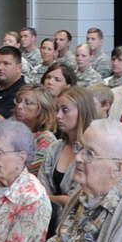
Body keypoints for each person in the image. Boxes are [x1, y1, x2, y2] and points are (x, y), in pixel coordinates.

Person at [38, 85, 96, 214]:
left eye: (65, 110)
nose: (58, 116)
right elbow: (41, 190)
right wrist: (60, 199)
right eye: (57, 110)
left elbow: (76, 200)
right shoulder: (55, 147)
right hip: (46, 214)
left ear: (82, 112)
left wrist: (50, 198)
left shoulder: (92, 152)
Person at [12, 83, 57, 174]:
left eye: (27, 103)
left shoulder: (45, 140)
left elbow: (32, 173)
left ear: (42, 108)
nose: (19, 106)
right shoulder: (12, 132)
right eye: (18, 101)